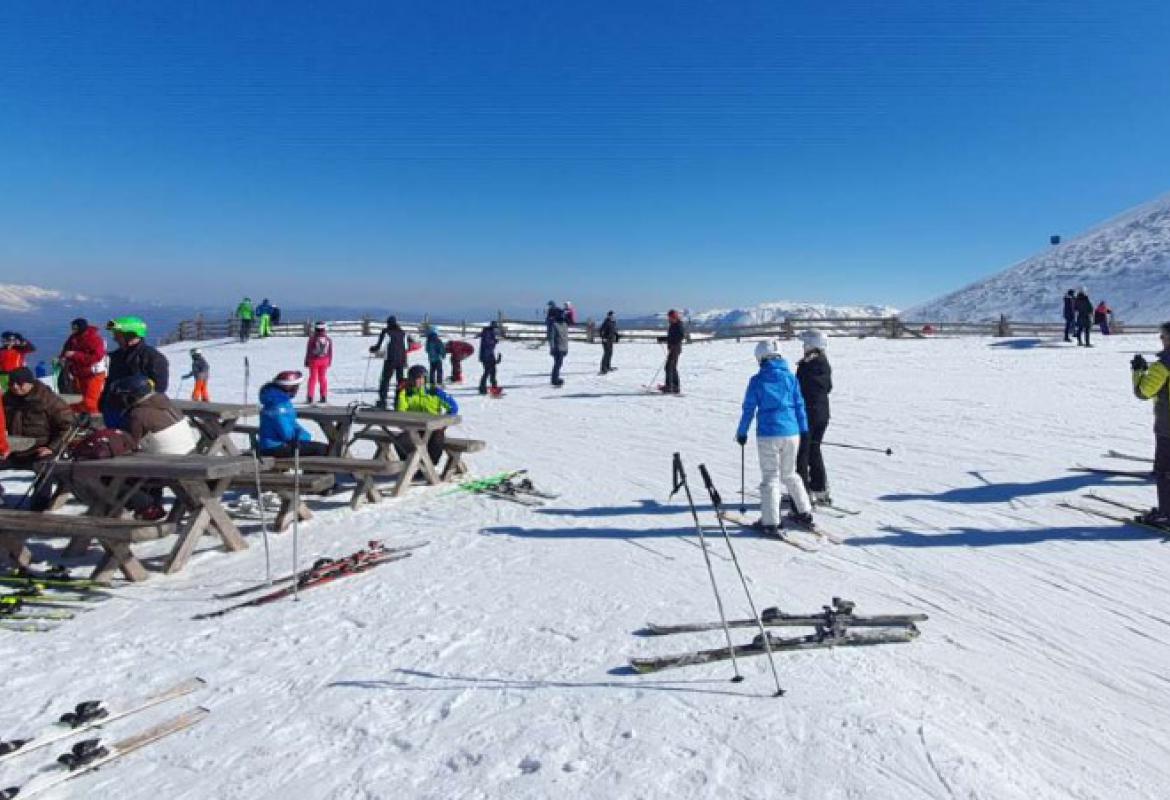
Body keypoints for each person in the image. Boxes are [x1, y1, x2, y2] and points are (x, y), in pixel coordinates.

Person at [735, 341, 813, 532]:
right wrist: (804, 429)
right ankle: (804, 512)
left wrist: (742, 432)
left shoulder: (757, 380)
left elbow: (748, 409)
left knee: (771, 477)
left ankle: (770, 522)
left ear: (761, 358)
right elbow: (799, 405)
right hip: (792, 433)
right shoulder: (790, 378)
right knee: (790, 474)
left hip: (769, 434)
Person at [104, 375, 200, 519]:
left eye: (125, 397)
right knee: (150, 457)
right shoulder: (167, 403)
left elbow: (130, 444)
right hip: (190, 456)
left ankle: (146, 507)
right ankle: (153, 504)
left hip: (169, 467)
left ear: (133, 396)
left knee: (112, 475)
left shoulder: (138, 414)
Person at [1130, 322, 1170, 527]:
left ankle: (1166, 514)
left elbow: (1143, 392)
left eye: (1163, 336)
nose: (1161, 339)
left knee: (1164, 470)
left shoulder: (1163, 365)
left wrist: (1138, 371)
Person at [102, 316, 169, 428]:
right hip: (114, 410)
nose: (115, 339)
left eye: (118, 335)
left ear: (130, 335)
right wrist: (104, 402)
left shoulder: (152, 357)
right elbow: (111, 381)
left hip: (136, 415)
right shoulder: (117, 356)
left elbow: (159, 388)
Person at [3, 368, 75, 469]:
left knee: (45, 468)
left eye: (20, 383)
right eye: (11, 384)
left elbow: (68, 426)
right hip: (13, 452)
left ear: (30, 383)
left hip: (39, 452)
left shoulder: (48, 400)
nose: (15, 387)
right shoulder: (6, 401)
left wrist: (52, 448)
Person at [795, 330, 832, 504]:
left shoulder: (809, 365)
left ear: (811, 345)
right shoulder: (823, 363)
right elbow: (828, 387)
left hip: (809, 415)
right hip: (822, 415)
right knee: (813, 450)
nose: (803, 347)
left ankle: (802, 492)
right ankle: (819, 487)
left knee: (803, 452)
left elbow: (800, 389)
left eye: (805, 344)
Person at [395, 364, 459, 464]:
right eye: (416, 378)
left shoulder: (434, 392)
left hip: (433, 428)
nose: (420, 381)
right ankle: (410, 465)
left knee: (437, 439)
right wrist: (401, 393)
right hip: (415, 428)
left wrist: (443, 423)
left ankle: (429, 466)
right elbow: (401, 411)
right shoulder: (407, 393)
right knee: (401, 440)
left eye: (422, 378)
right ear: (411, 380)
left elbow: (453, 407)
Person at [256, 371, 329, 457]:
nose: (297, 390)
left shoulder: (281, 400)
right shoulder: (278, 406)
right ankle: (313, 470)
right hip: (273, 447)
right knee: (322, 450)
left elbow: (292, 424)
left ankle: (312, 469)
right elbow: (286, 434)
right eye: (296, 387)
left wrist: (305, 435)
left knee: (319, 448)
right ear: (289, 387)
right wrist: (304, 437)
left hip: (276, 444)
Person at [59, 318, 106, 414]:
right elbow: (66, 349)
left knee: (90, 403)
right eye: (72, 328)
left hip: (94, 373)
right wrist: (62, 358)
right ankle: (74, 413)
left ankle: (97, 422)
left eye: (76, 328)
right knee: (86, 400)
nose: (73, 330)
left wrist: (75, 355)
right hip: (81, 373)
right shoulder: (73, 338)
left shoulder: (95, 339)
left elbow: (96, 357)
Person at [370, 316, 408, 408]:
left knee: (385, 380)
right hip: (401, 360)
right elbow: (406, 347)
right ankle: (399, 399)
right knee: (400, 381)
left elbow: (380, 345)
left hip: (390, 359)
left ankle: (383, 400)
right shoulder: (402, 333)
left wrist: (373, 349)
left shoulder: (386, 332)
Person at [656, 309, 685, 394]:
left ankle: (671, 386)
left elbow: (681, 335)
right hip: (673, 348)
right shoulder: (673, 324)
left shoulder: (678, 325)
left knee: (669, 367)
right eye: (668, 317)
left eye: (670, 317)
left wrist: (673, 343)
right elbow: (671, 336)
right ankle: (673, 386)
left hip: (675, 348)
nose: (669, 319)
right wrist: (663, 339)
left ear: (675, 317)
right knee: (671, 367)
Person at [304, 321, 333, 404]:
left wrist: (306, 361)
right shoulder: (328, 339)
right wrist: (329, 361)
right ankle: (323, 396)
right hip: (325, 360)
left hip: (313, 360)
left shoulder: (312, 338)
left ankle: (310, 397)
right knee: (323, 378)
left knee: (313, 379)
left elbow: (309, 351)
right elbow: (330, 351)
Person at [477, 321, 502, 396]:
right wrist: (494, 341)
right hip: (485, 356)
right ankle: (482, 388)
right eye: (495, 329)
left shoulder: (490, 333)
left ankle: (494, 387)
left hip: (490, 355)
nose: (496, 331)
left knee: (493, 371)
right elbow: (487, 343)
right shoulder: (487, 333)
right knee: (487, 371)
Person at [549, 306, 569, 387]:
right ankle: (555, 379)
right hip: (557, 348)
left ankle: (555, 378)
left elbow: (565, 337)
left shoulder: (565, 324)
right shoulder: (554, 325)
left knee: (559, 364)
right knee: (558, 363)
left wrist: (566, 348)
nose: (563, 316)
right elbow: (552, 338)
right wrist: (552, 348)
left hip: (563, 347)